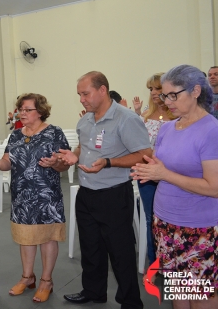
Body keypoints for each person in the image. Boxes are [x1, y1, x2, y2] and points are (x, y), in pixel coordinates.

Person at [59, 71, 151, 308]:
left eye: (85, 93)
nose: (81, 99)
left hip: (113, 194)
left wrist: (109, 162)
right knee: (91, 247)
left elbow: (145, 155)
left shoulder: (125, 118)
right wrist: (74, 154)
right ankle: (94, 291)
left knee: (120, 252)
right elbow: (83, 146)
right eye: (79, 94)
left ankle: (130, 301)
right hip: (86, 192)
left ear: (102, 90)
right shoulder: (86, 119)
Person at [132, 65, 218, 309]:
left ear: (195, 91)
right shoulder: (168, 128)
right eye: (163, 95)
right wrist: (151, 172)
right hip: (166, 223)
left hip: (199, 229)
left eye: (173, 95)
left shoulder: (211, 130)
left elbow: (214, 187)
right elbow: (164, 170)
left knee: (201, 295)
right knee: (179, 290)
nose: (166, 101)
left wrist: (163, 174)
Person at [0, 93, 69, 301]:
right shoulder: (17, 135)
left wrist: (55, 163)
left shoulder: (54, 133)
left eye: (28, 109)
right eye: (21, 109)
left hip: (47, 196)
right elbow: (7, 162)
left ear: (40, 112)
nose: (22, 113)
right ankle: (27, 277)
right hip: (22, 196)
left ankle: (47, 281)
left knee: (47, 238)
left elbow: (65, 163)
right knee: (25, 238)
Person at [130, 73, 175, 268]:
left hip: (172, 175)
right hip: (147, 174)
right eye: (151, 89)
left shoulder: (178, 117)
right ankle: (154, 262)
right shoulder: (146, 117)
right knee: (150, 218)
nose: (155, 93)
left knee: (171, 219)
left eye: (158, 88)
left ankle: (173, 261)